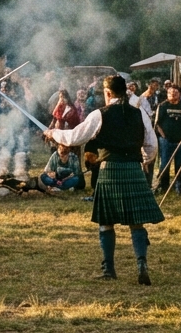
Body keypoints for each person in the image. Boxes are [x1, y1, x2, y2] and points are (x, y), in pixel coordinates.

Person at [46, 75, 163, 285]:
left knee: (106, 222)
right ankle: (141, 264)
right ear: (125, 91)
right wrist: (144, 160)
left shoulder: (100, 114)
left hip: (110, 170)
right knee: (136, 223)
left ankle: (109, 269)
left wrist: (53, 132)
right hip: (133, 169)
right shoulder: (140, 113)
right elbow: (152, 145)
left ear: (108, 93)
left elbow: (75, 137)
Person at [154, 85, 181, 196]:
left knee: (180, 165)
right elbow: (157, 124)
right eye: (170, 92)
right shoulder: (162, 106)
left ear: (180, 94)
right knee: (165, 164)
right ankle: (164, 186)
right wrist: (163, 136)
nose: (173, 94)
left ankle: (179, 186)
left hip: (180, 141)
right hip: (166, 141)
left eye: (175, 92)